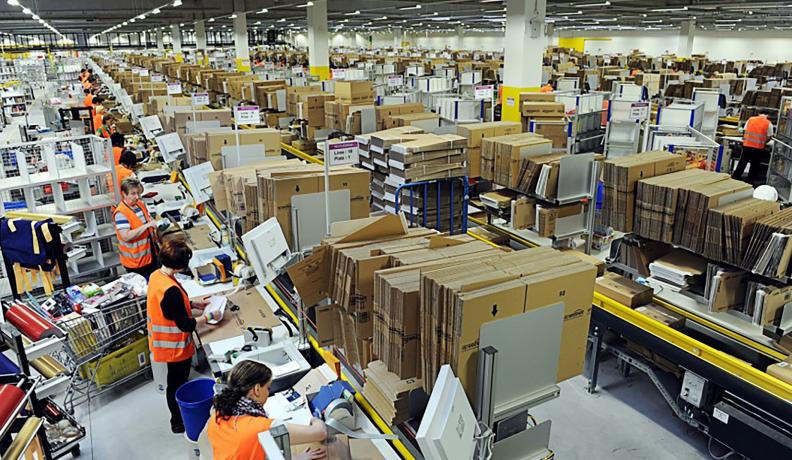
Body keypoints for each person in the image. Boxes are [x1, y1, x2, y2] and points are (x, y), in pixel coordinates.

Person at [146, 239, 213, 434]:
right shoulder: (172, 291)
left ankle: (177, 419)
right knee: (176, 384)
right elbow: (185, 324)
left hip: (163, 344)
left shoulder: (157, 276)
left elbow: (170, 308)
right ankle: (177, 422)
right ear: (180, 265)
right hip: (175, 348)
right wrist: (207, 317)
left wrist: (194, 304)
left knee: (174, 382)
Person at [208, 360, 327, 460]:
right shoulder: (263, 429)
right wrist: (315, 419)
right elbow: (320, 433)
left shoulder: (217, 414)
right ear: (257, 389)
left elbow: (246, 451)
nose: (268, 393)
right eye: (268, 388)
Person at [113, 178, 159, 278]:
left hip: (149, 256)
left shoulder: (140, 204)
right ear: (124, 194)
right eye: (133, 193)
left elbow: (147, 220)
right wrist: (147, 226)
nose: (137, 197)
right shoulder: (121, 213)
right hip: (136, 262)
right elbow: (126, 236)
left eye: (138, 193)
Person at [733, 111, 774, 184]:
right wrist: (764, 141)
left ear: (759, 114)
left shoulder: (750, 119)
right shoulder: (768, 123)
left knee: (742, 163)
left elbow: (744, 131)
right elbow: (769, 136)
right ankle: (749, 181)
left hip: (747, 145)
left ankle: (735, 178)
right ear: (767, 115)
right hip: (758, 148)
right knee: (754, 166)